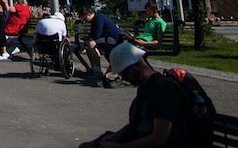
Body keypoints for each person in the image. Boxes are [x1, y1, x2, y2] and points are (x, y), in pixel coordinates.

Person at [80, 42, 214, 147]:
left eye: (124, 73)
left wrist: (119, 146)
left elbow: (159, 138)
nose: (123, 78)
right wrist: (111, 139)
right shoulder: (146, 87)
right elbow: (137, 124)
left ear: (136, 66)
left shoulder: (163, 89)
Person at [75, 4, 124, 81]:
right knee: (89, 45)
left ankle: (97, 71)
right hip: (108, 38)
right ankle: (95, 68)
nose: (85, 21)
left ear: (88, 14)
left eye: (84, 19)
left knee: (91, 44)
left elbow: (97, 35)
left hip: (114, 39)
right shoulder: (95, 19)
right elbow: (93, 34)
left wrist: (87, 42)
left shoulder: (99, 19)